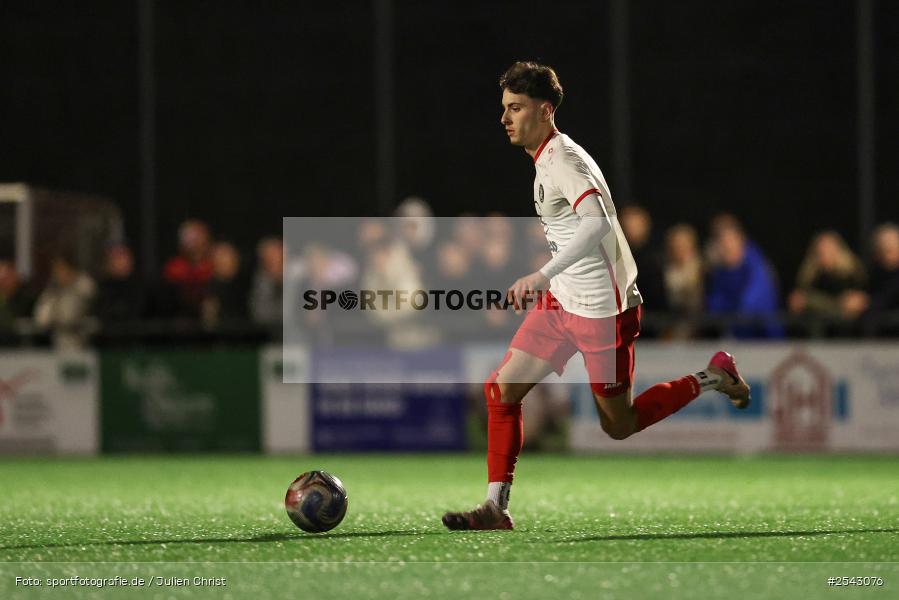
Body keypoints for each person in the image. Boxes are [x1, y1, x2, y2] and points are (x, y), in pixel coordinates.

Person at [441, 61, 751, 531]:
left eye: (516, 108)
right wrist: (553, 281)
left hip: (603, 312)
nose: (505, 118)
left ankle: (714, 376)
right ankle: (495, 508)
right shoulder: (544, 159)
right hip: (563, 303)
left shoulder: (564, 160)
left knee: (618, 425)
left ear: (545, 111)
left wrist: (542, 274)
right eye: (504, 108)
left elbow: (599, 225)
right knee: (500, 391)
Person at [787, 231, 865, 322]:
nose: (825, 253)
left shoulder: (851, 274)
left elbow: (854, 304)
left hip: (845, 328)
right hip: (817, 327)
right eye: (821, 251)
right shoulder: (809, 276)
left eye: (829, 249)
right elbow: (797, 300)